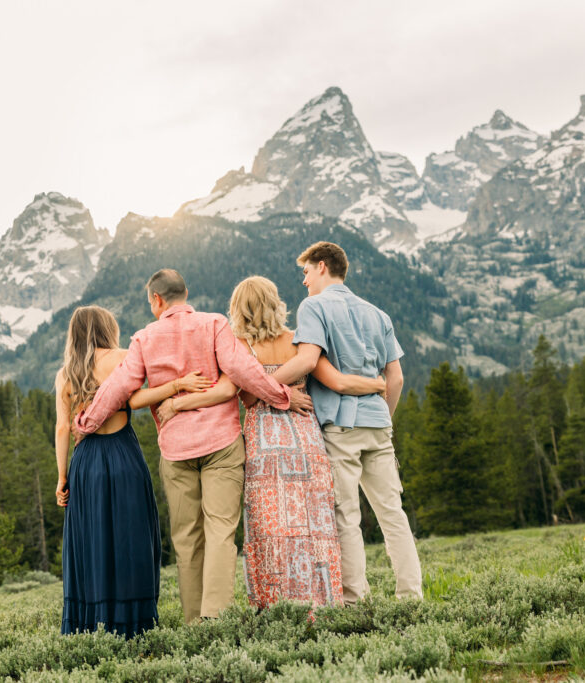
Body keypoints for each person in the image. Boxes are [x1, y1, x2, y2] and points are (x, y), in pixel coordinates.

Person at [73, 269, 313, 624]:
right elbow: (243, 370)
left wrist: (87, 422)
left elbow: (120, 387)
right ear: (186, 293)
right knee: (220, 531)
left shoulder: (145, 337)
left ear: (156, 300)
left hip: (176, 449)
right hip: (222, 444)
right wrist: (282, 396)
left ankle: (192, 622)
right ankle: (215, 618)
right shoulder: (214, 324)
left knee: (186, 539)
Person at [158, 276, 386, 609]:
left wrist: (177, 402)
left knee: (269, 528)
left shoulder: (239, 347)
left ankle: (274, 606)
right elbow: (334, 380)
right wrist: (376, 384)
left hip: (265, 443)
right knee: (313, 523)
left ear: (239, 310)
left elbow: (246, 397)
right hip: (305, 439)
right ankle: (321, 603)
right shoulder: (299, 340)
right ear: (275, 303)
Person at [272, 242, 423, 603]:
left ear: (322, 266)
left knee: (346, 516)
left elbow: (309, 361)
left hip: (340, 426)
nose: (304, 282)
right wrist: (383, 419)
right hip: (377, 423)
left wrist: (264, 381)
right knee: (393, 514)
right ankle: (411, 597)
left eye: (306, 272)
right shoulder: (377, 313)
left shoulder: (314, 307)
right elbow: (396, 378)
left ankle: (356, 600)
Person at [54, 305, 214, 638]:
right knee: (132, 538)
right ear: (106, 328)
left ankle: (90, 625)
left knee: (91, 541)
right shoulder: (123, 356)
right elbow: (138, 397)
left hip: (85, 463)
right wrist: (177, 386)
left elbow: (61, 429)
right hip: (124, 454)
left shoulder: (65, 373)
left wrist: (62, 477)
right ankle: (134, 623)